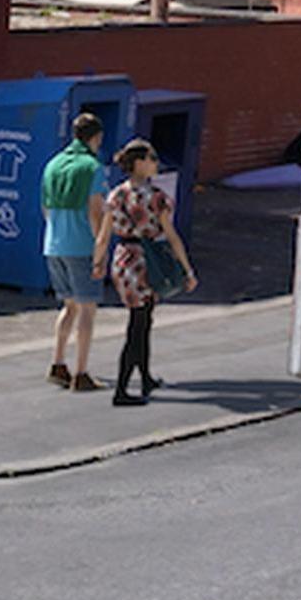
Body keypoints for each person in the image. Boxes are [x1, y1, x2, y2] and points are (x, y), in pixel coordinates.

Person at [91, 138, 196, 408]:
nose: (156, 163)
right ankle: (122, 390)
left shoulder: (115, 195)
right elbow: (171, 236)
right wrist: (187, 269)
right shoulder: (157, 198)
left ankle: (146, 377)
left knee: (143, 319)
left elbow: (103, 237)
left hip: (124, 260)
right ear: (139, 163)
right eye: (151, 158)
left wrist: (98, 264)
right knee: (138, 326)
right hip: (147, 263)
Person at [41, 110, 106, 392]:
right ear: (97, 137)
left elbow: (45, 208)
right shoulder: (92, 168)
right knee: (88, 310)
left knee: (68, 307)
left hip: (53, 243)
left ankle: (58, 363)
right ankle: (81, 372)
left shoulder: (53, 164)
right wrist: (100, 247)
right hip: (81, 246)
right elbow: (95, 211)